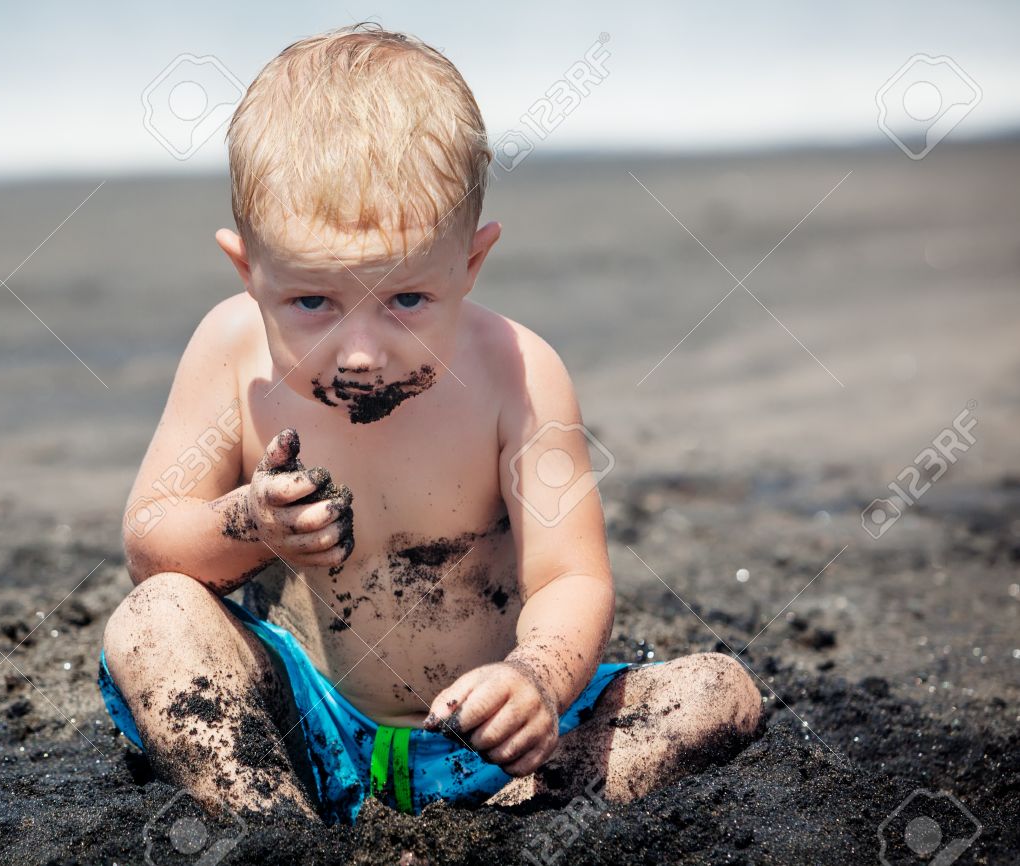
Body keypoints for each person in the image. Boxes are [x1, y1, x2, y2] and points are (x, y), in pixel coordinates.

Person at [99, 22, 760, 824]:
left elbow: (571, 577)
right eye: (312, 302)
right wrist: (250, 524)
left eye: (407, 299)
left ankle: (504, 824)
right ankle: (277, 828)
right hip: (307, 723)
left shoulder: (519, 374)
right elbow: (152, 553)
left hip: (489, 745)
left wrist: (537, 679)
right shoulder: (231, 353)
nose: (363, 351)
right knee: (153, 623)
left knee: (719, 692)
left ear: (471, 263)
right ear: (250, 271)